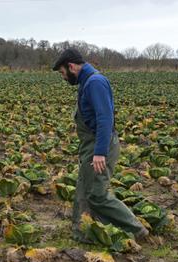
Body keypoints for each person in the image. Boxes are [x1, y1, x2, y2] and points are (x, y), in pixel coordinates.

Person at [52, 48, 149, 241]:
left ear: (71, 66)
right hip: (91, 145)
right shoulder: (86, 82)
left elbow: (105, 119)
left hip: (100, 145)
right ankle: (83, 232)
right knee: (83, 188)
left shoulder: (95, 83)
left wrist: (99, 152)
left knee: (97, 194)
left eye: (63, 73)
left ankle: (137, 230)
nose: (63, 78)